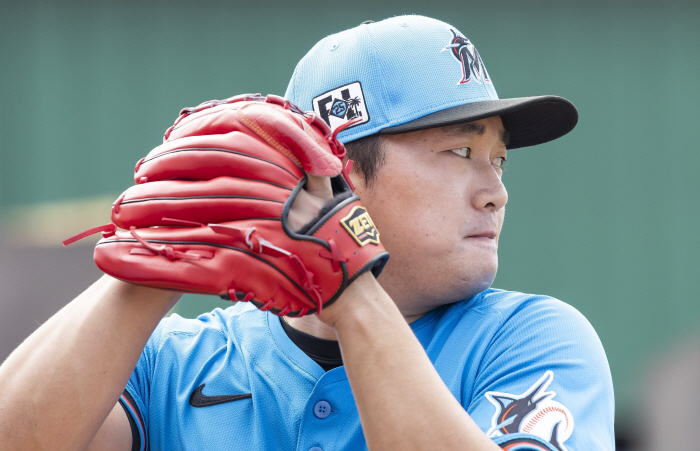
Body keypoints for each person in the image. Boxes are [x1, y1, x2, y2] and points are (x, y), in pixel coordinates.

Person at [0, 15, 614, 451]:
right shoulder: (172, 362)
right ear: (337, 173)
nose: (495, 191)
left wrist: (352, 290)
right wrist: (154, 264)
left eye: (497, 159)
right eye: (460, 151)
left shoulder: (529, 342)